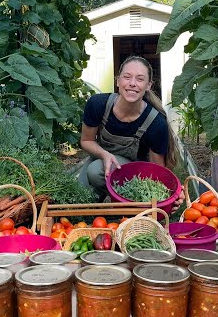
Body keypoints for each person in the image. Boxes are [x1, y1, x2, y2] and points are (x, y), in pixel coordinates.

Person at [78, 55, 184, 212]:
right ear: (118, 81)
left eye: (140, 79)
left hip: (135, 173)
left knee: (94, 171)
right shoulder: (98, 104)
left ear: (148, 85)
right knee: (79, 200)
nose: (132, 84)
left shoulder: (155, 123)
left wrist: (170, 194)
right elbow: (86, 140)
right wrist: (104, 155)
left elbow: (158, 168)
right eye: (127, 77)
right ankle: (107, 200)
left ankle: (133, 206)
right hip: (101, 158)